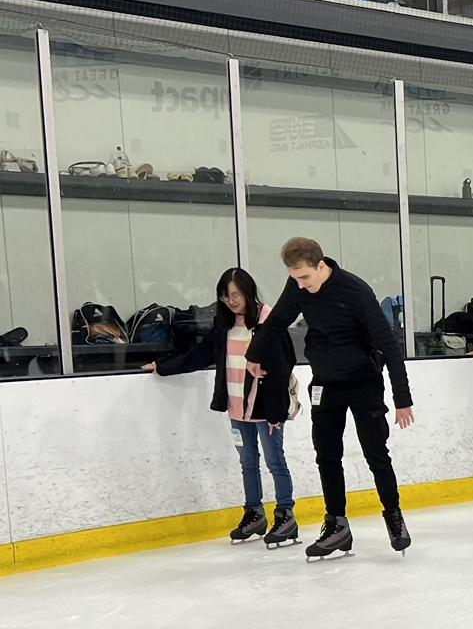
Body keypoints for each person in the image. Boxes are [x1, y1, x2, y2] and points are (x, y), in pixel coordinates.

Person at [248, 237, 414, 560]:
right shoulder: (298, 287)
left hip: (364, 381)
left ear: (321, 266)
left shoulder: (356, 292)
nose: (300, 285)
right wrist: (254, 354)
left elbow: (389, 345)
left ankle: (393, 514)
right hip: (326, 382)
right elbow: (277, 321)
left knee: (376, 453)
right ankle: (337, 523)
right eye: (295, 279)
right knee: (326, 454)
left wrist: (402, 398)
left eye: (305, 278)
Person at [143, 267, 300, 548]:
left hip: (266, 408)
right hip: (237, 408)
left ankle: (285, 515)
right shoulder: (224, 324)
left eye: (236, 295)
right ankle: (254, 514)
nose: (231, 301)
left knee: (275, 461)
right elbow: (200, 354)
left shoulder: (268, 321)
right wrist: (163, 366)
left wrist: (277, 412)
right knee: (247, 463)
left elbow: (284, 365)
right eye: (226, 296)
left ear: (249, 292)